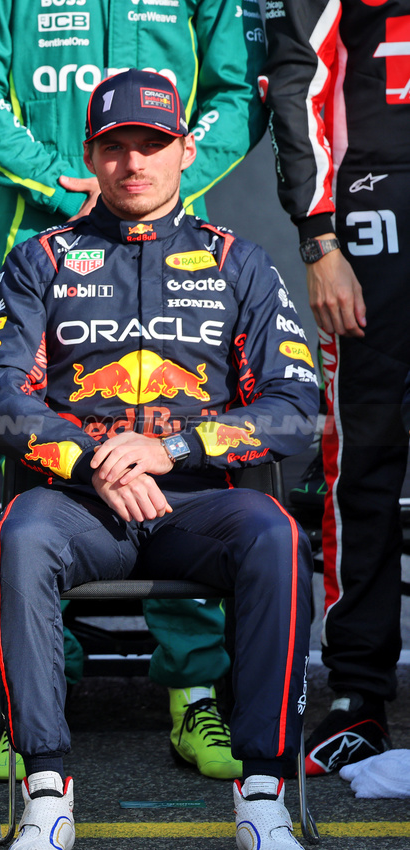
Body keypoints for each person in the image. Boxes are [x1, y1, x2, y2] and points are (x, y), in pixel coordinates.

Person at [0, 69, 318, 850]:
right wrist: (96, 459)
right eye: (116, 147)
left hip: (200, 501)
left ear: (185, 152)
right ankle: (45, 790)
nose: (134, 164)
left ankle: (261, 795)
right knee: (18, 537)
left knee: (276, 538)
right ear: (91, 156)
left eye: (152, 145)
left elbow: (293, 409)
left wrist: (165, 449)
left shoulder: (239, 262)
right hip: (74, 500)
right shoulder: (39, 260)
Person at [0, 0, 272, 781]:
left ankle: (192, 693)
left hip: (173, 237)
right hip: (38, 229)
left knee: (179, 450)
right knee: (35, 460)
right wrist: (63, 182)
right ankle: (39, 695)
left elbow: (239, 91)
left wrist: (158, 171)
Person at [262, 0, 402, 775]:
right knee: (362, 463)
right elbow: (296, 76)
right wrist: (318, 240)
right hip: (373, 211)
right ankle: (358, 694)